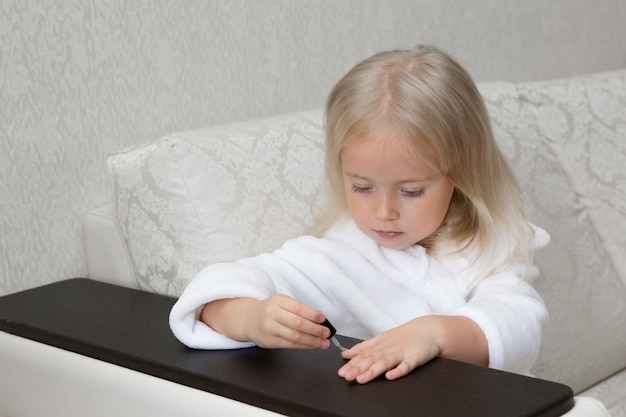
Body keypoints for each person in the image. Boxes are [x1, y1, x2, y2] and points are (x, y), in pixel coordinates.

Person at [169, 44, 549, 385]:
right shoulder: (340, 253)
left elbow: (518, 321)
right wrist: (250, 317)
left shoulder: (488, 246)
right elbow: (218, 289)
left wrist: (434, 334)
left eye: (411, 191)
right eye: (362, 188)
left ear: (461, 172)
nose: (384, 213)